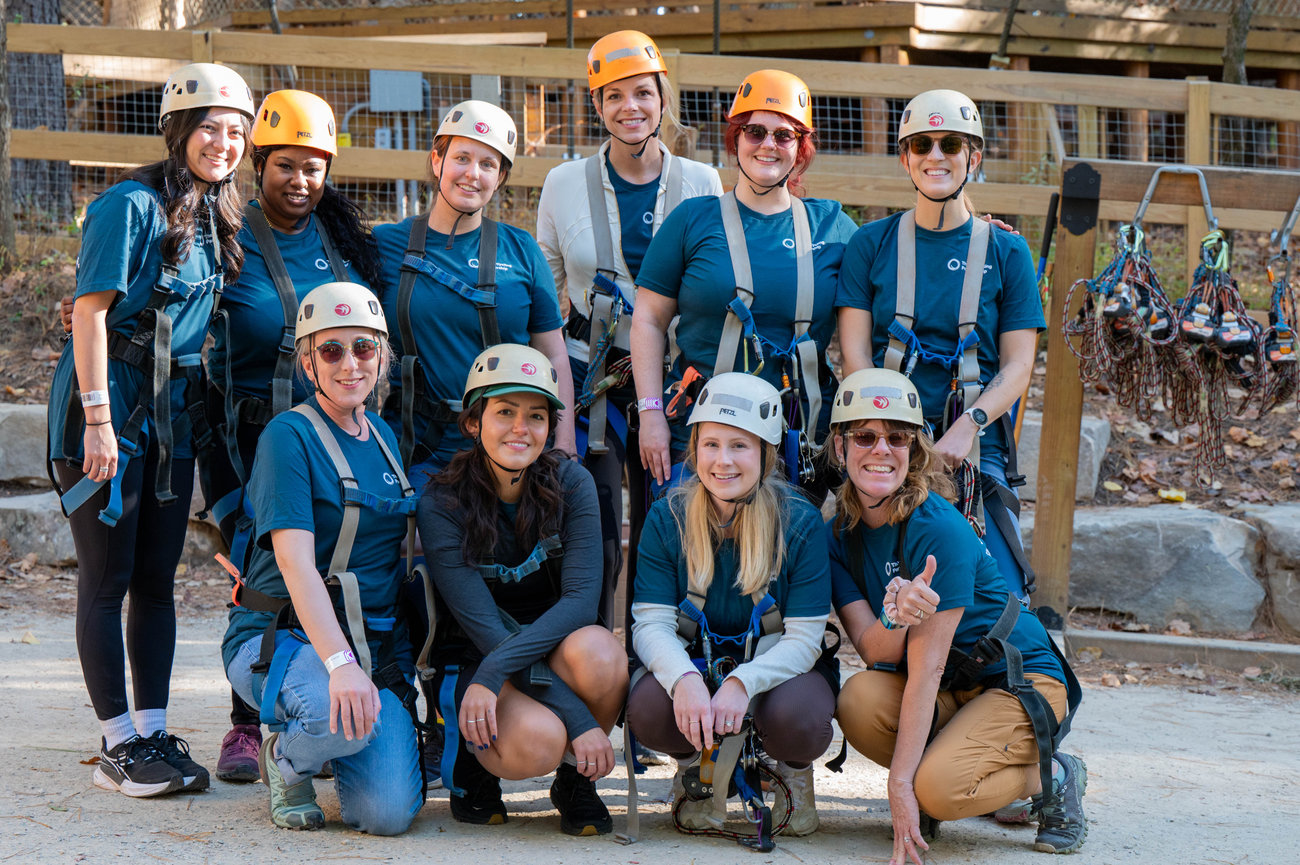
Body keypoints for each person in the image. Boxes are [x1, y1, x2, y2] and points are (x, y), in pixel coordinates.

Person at [46, 62, 254, 798]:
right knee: (107, 580)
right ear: (177, 131)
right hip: (107, 409)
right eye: (209, 128)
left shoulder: (215, 218)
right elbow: (90, 313)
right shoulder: (129, 205)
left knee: (156, 581)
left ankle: (151, 728)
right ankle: (116, 743)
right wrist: (98, 419)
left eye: (236, 132)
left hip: (172, 417)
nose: (223, 143)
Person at [826, 368, 1085, 863]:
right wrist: (898, 616)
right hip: (953, 690)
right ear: (840, 447)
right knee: (858, 700)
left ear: (914, 450)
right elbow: (873, 648)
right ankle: (949, 768)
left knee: (935, 792)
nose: (881, 449)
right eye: (864, 435)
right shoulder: (839, 533)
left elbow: (927, 672)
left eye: (897, 438)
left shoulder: (935, 527)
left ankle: (1056, 772)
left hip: (1019, 680)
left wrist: (900, 786)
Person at [206, 88, 384, 784]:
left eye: (314, 166)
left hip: (335, 438)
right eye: (286, 165)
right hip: (250, 442)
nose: (301, 180)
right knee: (259, 581)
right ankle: (248, 722)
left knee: (330, 569)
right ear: (258, 162)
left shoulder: (346, 243)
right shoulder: (226, 238)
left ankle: (326, 704)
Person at [536, 29, 723, 628]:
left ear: (662, 97)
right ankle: (589, 669)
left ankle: (652, 673)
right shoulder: (564, 184)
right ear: (596, 106)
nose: (630, 108)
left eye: (642, 92)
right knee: (589, 531)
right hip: (594, 381)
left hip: (676, 384)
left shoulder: (702, 183)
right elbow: (546, 290)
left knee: (661, 525)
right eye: (613, 96)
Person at [223, 281, 423, 834]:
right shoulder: (289, 437)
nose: (349, 364)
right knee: (342, 724)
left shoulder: (382, 435)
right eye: (331, 350)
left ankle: (332, 734)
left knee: (385, 815)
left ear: (382, 356)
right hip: (282, 640)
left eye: (363, 348)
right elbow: (295, 565)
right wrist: (339, 667)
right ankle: (289, 758)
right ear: (308, 363)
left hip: (370, 649)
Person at [836, 89, 1045, 601]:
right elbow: (856, 356)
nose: (935, 156)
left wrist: (966, 428)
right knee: (896, 596)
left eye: (950, 144)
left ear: (972, 157)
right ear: (905, 157)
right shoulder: (871, 244)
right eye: (922, 145)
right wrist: (892, 435)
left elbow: (1019, 365)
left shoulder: (1006, 251)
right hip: (888, 444)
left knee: (998, 595)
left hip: (972, 448)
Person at [418, 344, 627, 835]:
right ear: (474, 422)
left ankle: (576, 780)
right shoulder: (442, 500)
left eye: (536, 416)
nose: (521, 428)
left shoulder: (572, 483)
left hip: (552, 647)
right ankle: (473, 766)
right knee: (539, 741)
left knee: (602, 655)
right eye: (505, 412)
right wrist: (579, 721)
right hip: (478, 657)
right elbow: (487, 630)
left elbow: (580, 603)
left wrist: (506, 672)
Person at [631, 69, 857, 504]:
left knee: (785, 563)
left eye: (784, 135)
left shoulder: (832, 226)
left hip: (798, 436)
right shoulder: (693, 220)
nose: (768, 144)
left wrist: (974, 230)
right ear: (735, 138)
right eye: (755, 131)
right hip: (701, 435)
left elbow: (898, 257)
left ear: (801, 148)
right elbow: (648, 319)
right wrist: (651, 414)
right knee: (692, 560)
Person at [627, 372, 834, 838]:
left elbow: (804, 640)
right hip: (696, 664)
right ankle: (692, 770)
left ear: (766, 453)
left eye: (740, 446)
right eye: (711, 444)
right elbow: (650, 625)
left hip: (775, 670)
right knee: (648, 707)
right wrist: (682, 680)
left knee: (799, 719)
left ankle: (792, 771)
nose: (723, 461)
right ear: (694, 449)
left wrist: (743, 682)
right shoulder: (668, 517)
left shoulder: (799, 522)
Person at [375, 100, 574, 490]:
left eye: (488, 164)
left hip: (509, 447)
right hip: (416, 447)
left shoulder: (521, 251)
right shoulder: (385, 246)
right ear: (437, 161)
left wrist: (563, 443)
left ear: (500, 178)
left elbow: (553, 353)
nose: (472, 174)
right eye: (462, 157)